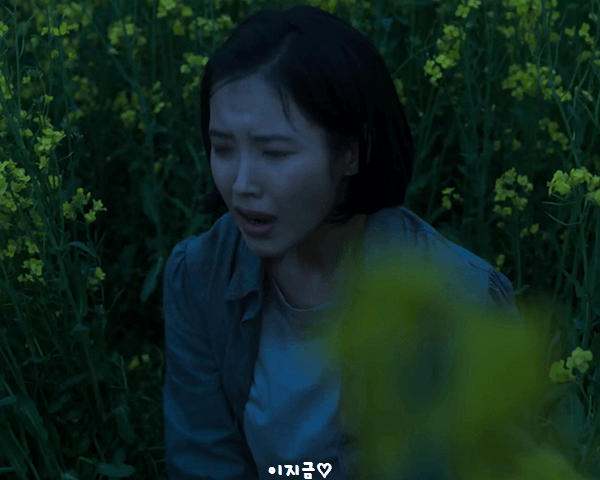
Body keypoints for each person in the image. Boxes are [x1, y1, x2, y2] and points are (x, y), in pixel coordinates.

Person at [162, 5, 520, 480]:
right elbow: (204, 462)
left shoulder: (457, 296)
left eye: (273, 152)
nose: (242, 184)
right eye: (223, 148)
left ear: (353, 151)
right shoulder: (200, 275)